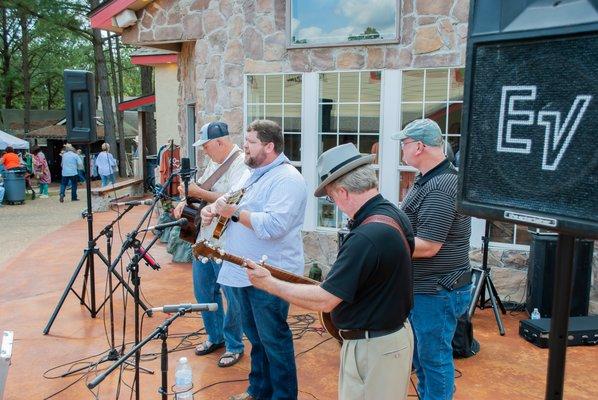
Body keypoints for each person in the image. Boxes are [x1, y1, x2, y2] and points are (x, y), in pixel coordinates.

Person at [244, 143, 415, 400]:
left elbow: (325, 299)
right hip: (387, 339)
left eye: (331, 197)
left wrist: (269, 284)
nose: (333, 203)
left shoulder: (367, 236)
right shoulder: (391, 214)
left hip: (375, 347)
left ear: (344, 192)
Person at [202, 119, 307, 400]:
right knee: (257, 339)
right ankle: (258, 390)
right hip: (243, 271)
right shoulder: (251, 173)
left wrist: (234, 213)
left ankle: (283, 396)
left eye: (250, 143)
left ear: (269, 146)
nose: (244, 148)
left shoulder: (288, 179)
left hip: (271, 274)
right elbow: (228, 199)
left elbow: (274, 226)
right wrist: (212, 208)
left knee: (274, 339)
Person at [391, 119, 472, 400]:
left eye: (404, 143)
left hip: (437, 291)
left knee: (433, 359)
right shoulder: (429, 178)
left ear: (419, 147)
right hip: (427, 289)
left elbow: (428, 246)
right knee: (424, 359)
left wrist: (385, 244)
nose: (402, 149)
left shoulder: (441, 185)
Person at [173, 121, 248, 368]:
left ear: (221, 142)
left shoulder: (240, 163)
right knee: (203, 291)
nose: (204, 151)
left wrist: (199, 193)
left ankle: (234, 344)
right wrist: (184, 201)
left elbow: (236, 198)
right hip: (204, 238)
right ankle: (215, 337)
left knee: (231, 295)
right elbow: (200, 190)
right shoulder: (213, 161)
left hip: (227, 241)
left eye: (207, 146)